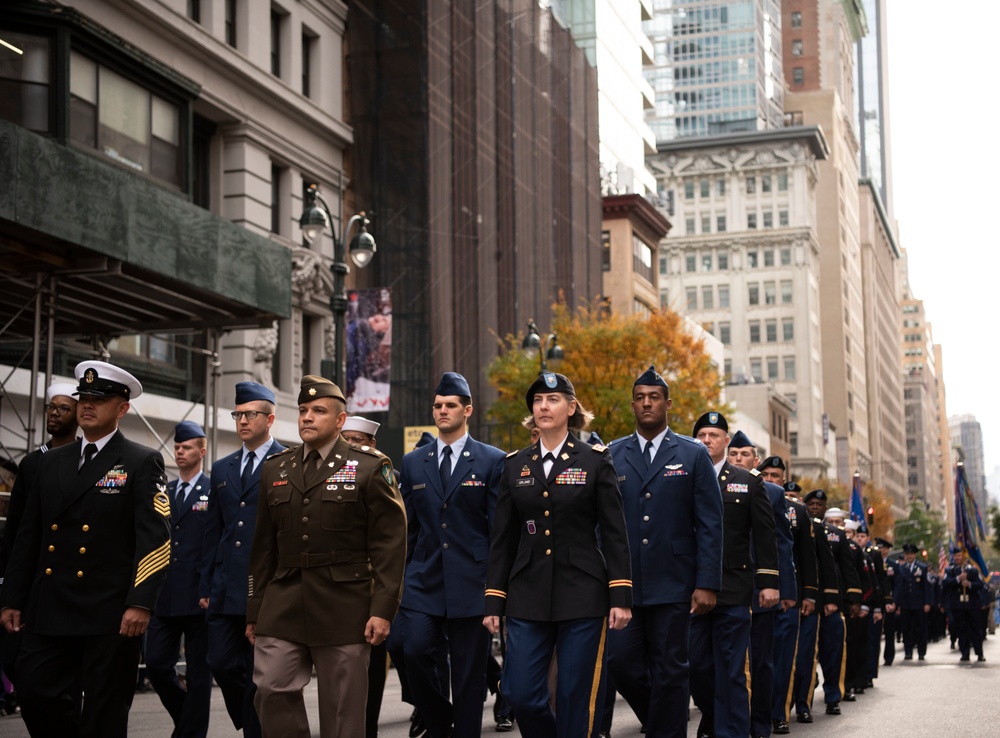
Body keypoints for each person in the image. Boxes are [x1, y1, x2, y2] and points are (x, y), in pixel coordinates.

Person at [0, 360, 171, 737]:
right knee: (35, 692)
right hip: (51, 606)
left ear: (122, 408)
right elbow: (28, 536)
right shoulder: (50, 462)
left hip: (109, 612)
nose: (87, 405)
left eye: (100, 398)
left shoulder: (141, 461)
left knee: (104, 713)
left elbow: (155, 540)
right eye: (83, 398)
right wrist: (12, 597)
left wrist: (140, 602)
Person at [246, 375, 407, 738]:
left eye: (318, 410)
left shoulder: (369, 466)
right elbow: (263, 547)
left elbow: (390, 542)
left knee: (342, 711)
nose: (306, 417)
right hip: (284, 599)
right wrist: (254, 608)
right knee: (271, 687)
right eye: (303, 410)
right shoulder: (276, 468)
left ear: (339, 421)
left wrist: (383, 608)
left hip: (345, 602)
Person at [484, 372, 632, 738]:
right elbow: (503, 538)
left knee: (571, 695)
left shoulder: (595, 460)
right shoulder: (515, 464)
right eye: (537, 401)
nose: (543, 407)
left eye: (552, 399)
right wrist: (493, 599)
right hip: (527, 594)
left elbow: (614, 533)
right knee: (520, 692)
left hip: (582, 593)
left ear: (571, 407)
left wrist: (621, 595)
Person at [606, 365, 723, 738]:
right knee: (620, 662)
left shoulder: (691, 454)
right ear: (632, 404)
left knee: (671, 667)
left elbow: (710, 522)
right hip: (627, 583)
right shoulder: (613, 454)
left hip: (675, 582)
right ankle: (661, 719)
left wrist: (707, 582)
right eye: (639, 398)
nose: (646, 403)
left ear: (668, 403)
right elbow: (603, 525)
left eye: (654, 397)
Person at [395, 372, 506, 738]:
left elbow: (497, 532)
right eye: (438, 406)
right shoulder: (413, 462)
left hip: (472, 583)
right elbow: (409, 528)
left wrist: (495, 589)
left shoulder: (492, 461)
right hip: (424, 580)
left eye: (450, 405)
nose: (442, 411)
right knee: (413, 651)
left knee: (469, 675)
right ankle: (442, 723)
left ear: (467, 410)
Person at [202, 381, 286, 738]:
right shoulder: (221, 469)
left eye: (250, 414)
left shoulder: (285, 463)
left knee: (259, 676)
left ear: (269, 419)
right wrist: (206, 583)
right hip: (225, 584)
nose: (242, 421)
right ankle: (253, 721)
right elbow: (213, 530)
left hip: (264, 586)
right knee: (218, 661)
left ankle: (256, 732)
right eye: (238, 414)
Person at [690, 412, 779, 738]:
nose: (707, 440)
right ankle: (714, 717)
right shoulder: (682, 477)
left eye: (714, 435)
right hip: (691, 589)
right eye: (701, 435)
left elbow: (766, 536)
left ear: (726, 441)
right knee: (695, 665)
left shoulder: (748, 481)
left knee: (732, 670)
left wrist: (768, 582)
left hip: (734, 588)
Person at [723, 439, 796, 738]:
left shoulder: (773, 492)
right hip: (726, 586)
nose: (738, 459)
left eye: (745, 455)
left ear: (756, 461)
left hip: (759, 588)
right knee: (726, 660)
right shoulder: (710, 481)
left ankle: (761, 723)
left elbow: (782, 542)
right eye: (734, 454)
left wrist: (784, 589)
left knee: (761, 660)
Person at [146, 420, 214, 738]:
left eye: (186, 447)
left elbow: (216, 542)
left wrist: (211, 587)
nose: (179, 452)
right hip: (166, 593)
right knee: (157, 664)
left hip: (199, 594)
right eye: (176, 447)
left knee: (200, 674)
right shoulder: (166, 491)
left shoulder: (213, 490)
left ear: (202, 451)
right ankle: (186, 718)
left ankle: (191, 733)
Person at [339, 415, 393, 738]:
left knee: (370, 673)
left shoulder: (385, 474)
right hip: (336, 591)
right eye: (346, 439)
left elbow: (393, 541)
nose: (351, 446)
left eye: (358, 440)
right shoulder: (325, 475)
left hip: (372, 590)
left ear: (371, 445)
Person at [756, 460, 817, 736]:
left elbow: (805, 557)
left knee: (782, 659)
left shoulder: (798, 512)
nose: (769, 478)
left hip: (786, 594)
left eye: (775, 476)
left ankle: (778, 713)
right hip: (755, 593)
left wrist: (806, 595)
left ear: (783, 479)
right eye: (765, 474)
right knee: (758, 659)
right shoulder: (745, 494)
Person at [0, 382, 80, 581]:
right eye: (51, 407)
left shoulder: (86, 460)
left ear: (78, 416)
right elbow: (16, 525)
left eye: (63, 408)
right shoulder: (32, 463)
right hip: (34, 567)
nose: (54, 413)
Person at [893, 543, 932, 661]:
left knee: (920, 629)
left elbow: (926, 587)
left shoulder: (922, 568)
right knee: (906, 629)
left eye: (911, 554)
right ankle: (908, 652)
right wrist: (897, 604)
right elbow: (899, 587)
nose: (909, 556)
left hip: (919, 603)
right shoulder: (901, 568)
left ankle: (921, 652)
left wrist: (927, 603)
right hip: (905, 603)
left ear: (915, 554)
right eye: (907, 554)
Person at [875, 538, 899, 666]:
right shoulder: (872, 561)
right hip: (877, 601)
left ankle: (889, 657)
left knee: (889, 631)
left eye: (882, 548)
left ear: (887, 550)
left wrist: (894, 601)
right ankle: (874, 658)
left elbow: (897, 585)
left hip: (889, 602)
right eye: (878, 547)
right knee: (875, 632)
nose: (880, 550)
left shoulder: (894, 565)